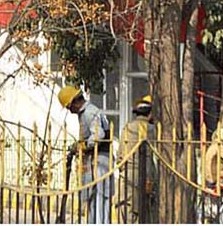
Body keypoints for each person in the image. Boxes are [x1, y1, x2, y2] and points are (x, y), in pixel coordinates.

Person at [58, 83, 113, 224]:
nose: (70, 111)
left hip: (101, 160)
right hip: (95, 160)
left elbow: (98, 135)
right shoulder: (86, 113)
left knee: (100, 199)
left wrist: (83, 145)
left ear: (75, 102)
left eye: (69, 107)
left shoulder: (89, 112)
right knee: (92, 199)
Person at [117, 95, 157, 223]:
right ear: (150, 114)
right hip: (146, 175)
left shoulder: (127, 128)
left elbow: (120, 155)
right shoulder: (153, 130)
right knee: (144, 211)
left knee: (126, 209)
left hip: (127, 174)